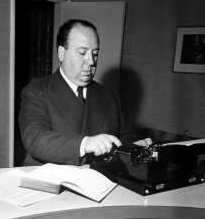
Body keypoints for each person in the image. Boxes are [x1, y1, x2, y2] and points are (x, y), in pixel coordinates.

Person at [18, 19, 152, 166]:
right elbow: (34, 138)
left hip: (97, 180)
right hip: (50, 182)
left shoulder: (110, 96)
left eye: (95, 53)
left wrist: (134, 146)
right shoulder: (36, 92)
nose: (91, 61)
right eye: (82, 53)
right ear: (62, 53)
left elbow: (123, 136)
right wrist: (84, 143)